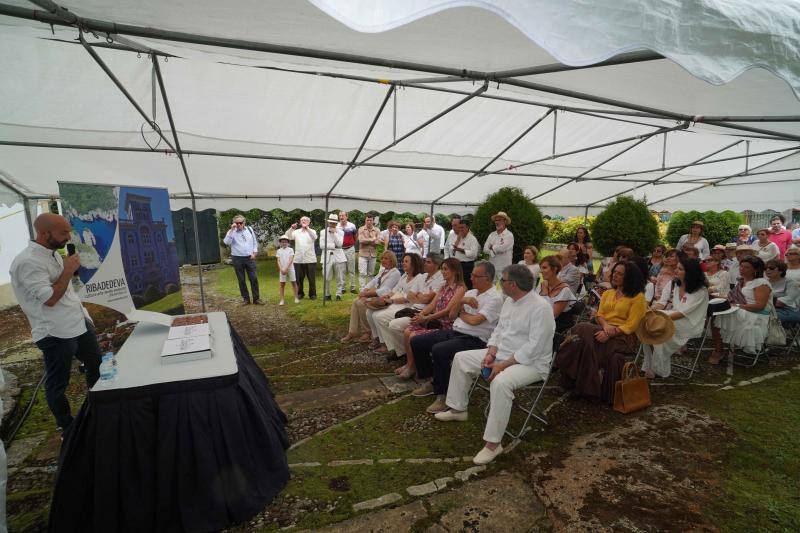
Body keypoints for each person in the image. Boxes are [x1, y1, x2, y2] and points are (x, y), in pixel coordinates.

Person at [434, 264, 554, 466]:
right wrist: (491, 353)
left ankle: (493, 444)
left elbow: (534, 347)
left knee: (500, 383)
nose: (500, 284)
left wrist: (502, 365)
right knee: (462, 358)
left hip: (531, 364)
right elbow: (499, 331)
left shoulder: (541, 308)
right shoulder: (509, 301)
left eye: (503, 280)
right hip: (503, 355)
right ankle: (457, 409)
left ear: (513, 285)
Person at [9, 213, 102, 432]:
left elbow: (66, 291)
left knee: (97, 365)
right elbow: (50, 298)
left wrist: (85, 317)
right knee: (58, 383)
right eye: (63, 233)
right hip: (55, 332)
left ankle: (99, 409)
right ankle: (67, 427)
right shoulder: (27, 262)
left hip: (78, 323)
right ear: (44, 233)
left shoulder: (54, 254)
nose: (68, 237)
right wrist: (68, 270)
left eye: (68, 231)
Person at [410, 261, 503, 413]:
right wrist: (462, 301)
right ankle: (431, 380)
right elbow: (453, 314)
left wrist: (462, 313)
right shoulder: (471, 293)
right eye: (472, 274)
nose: (471, 277)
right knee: (417, 341)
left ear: (487, 278)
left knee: (439, 350)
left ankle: (443, 395)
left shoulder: (495, 298)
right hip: (456, 332)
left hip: (475, 339)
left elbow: (475, 321)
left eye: (475, 275)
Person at [556, 260, 646, 404]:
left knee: (582, 328)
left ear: (629, 277)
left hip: (623, 338)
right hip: (602, 330)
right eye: (614, 272)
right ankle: (587, 389)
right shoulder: (608, 293)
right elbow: (599, 315)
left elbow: (632, 325)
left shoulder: (637, 298)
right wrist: (605, 328)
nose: (615, 276)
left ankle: (560, 361)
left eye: (620, 274)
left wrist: (610, 333)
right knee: (586, 343)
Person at [396, 258, 466, 380]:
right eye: (442, 269)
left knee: (413, 335)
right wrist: (421, 314)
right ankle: (409, 364)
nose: (443, 272)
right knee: (407, 331)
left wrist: (426, 318)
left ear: (455, 271)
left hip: (446, 325)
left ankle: (414, 367)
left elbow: (447, 310)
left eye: (445, 269)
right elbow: (432, 305)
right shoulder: (443, 286)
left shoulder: (460, 289)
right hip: (434, 321)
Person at [643, 257, 709, 378]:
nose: (676, 271)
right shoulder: (673, 283)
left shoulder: (701, 290)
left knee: (656, 327)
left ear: (690, 272)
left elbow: (684, 313)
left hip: (690, 323)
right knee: (646, 326)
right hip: (672, 317)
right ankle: (652, 365)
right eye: (676, 268)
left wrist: (661, 319)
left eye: (680, 269)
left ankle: (657, 367)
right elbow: (661, 303)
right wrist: (652, 310)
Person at [374, 253, 445, 359]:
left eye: (428, 262)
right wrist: (421, 296)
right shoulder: (423, 276)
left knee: (392, 324)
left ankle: (402, 352)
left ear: (437, 264)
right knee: (378, 315)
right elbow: (411, 295)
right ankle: (398, 350)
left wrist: (419, 296)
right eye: (425, 261)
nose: (425, 264)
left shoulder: (440, 279)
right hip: (412, 308)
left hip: (422, 311)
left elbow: (427, 299)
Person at [710, 256, 772, 363]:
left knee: (717, 316)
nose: (742, 269)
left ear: (755, 270)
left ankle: (719, 350)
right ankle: (719, 349)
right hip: (741, 310)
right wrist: (715, 296)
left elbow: (759, 306)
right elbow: (731, 298)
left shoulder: (761, 283)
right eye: (741, 266)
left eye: (746, 267)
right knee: (714, 309)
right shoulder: (741, 281)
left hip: (756, 315)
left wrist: (737, 306)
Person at [366, 253, 424, 351]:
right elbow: (395, 290)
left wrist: (392, 300)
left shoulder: (419, 278)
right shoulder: (404, 276)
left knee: (378, 316)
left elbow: (408, 298)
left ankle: (390, 346)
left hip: (406, 306)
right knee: (370, 312)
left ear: (414, 264)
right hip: (396, 302)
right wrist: (387, 296)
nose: (403, 263)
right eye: (403, 261)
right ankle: (379, 339)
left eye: (406, 261)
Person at [341, 251, 401, 343]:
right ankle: (352, 332)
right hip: (376, 296)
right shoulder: (383, 271)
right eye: (382, 258)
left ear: (392, 260)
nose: (383, 260)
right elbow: (372, 282)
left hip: (384, 299)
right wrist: (364, 290)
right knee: (356, 301)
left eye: (386, 258)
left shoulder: (395, 273)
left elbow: (386, 290)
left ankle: (367, 332)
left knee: (360, 303)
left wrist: (367, 294)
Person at [538, 256, 577, 349]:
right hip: (540, 320)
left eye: (544, 268)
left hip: (556, 325)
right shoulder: (542, 285)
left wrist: (544, 293)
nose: (541, 271)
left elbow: (553, 315)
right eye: (541, 268)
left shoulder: (564, 290)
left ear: (555, 269)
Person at [223, 214, 262, 304]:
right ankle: (246, 299)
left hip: (249, 258)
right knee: (241, 280)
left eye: (240, 223)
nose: (239, 225)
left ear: (244, 222)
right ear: (234, 223)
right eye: (237, 223)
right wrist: (232, 230)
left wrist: (255, 252)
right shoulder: (231, 231)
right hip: (237, 258)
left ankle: (256, 299)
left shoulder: (249, 229)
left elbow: (254, 242)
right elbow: (226, 242)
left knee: (254, 278)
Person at [286, 216, 318, 300]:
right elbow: (287, 237)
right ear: (300, 223)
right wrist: (291, 229)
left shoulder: (312, 231)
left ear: (309, 222)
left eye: (305, 220)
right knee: (298, 278)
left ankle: (312, 294)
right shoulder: (296, 232)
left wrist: (307, 228)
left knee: (311, 279)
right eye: (302, 220)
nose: (303, 221)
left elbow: (314, 237)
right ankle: (300, 293)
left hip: (310, 259)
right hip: (298, 259)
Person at [765, 259, 800, 325]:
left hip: (788, 310)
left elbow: (788, 300)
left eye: (771, 268)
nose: (767, 270)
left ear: (780, 271)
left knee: (763, 317)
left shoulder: (790, 283)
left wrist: (764, 302)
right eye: (765, 268)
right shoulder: (763, 282)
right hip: (768, 309)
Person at [320, 213, 346, 301]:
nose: (332, 224)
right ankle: (327, 294)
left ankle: (339, 294)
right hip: (327, 257)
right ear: (328, 223)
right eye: (331, 223)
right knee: (326, 277)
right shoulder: (323, 232)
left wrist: (335, 234)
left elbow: (340, 244)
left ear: (336, 223)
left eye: (334, 223)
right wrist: (332, 245)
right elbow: (321, 245)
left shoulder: (341, 232)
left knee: (339, 277)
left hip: (339, 256)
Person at [483, 211, 515, 280]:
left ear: (505, 221)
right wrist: (494, 249)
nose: (497, 222)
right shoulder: (492, 234)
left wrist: (492, 247)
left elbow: (502, 249)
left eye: (499, 220)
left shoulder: (509, 235)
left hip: (504, 268)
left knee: (504, 289)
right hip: (492, 267)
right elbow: (485, 249)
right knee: (491, 287)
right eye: (496, 220)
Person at [451, 220, 479, 289]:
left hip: (467, 266)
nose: (460, 230)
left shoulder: (472, 239)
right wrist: (457, 240)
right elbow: (453, 251)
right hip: (458, 265)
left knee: (467, 285)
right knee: (458, 286)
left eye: (462, 228)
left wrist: (462, 250)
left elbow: (474, 254)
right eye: (459, 228)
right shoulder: (458, 237)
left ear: (467, 228)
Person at [357, 214, 381, 289]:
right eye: (367, 220)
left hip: (373, 254)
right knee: (362, 273)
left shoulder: (377, 230)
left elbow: (378, 242)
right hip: (362, 254)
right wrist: (372, 239)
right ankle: (362, 290)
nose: (369, 222)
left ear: (373, 221)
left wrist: (367, 241)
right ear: (365, 220)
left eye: (370, 220)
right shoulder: (361, 229)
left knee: (371, 274)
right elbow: (361, 240)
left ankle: (369, 290)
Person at [276, 235, 299, 305]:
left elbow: (291, 259)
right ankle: (282, 300)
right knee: (282, 284)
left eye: (285, 242)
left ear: (288, 242)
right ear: (280, 243)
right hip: (282, 269)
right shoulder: (279, 251)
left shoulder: (291, 250)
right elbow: (278, 260)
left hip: (290, 268)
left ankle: (296, 298)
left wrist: (286, 268)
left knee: (293, 282)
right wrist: (281, 269)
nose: (284, 243)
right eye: (282, 242)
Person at [338, 211, 358, 294]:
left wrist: (352, 244)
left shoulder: (352, 226)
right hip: (340, 250)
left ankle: (352, 288)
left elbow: (355, 236)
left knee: (351, 269)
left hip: (350, 249)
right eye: (340, 216)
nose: (341, 217)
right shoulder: (337, 226)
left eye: (343, 215)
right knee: (342, 270)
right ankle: (342, 288)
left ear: (347, 216)